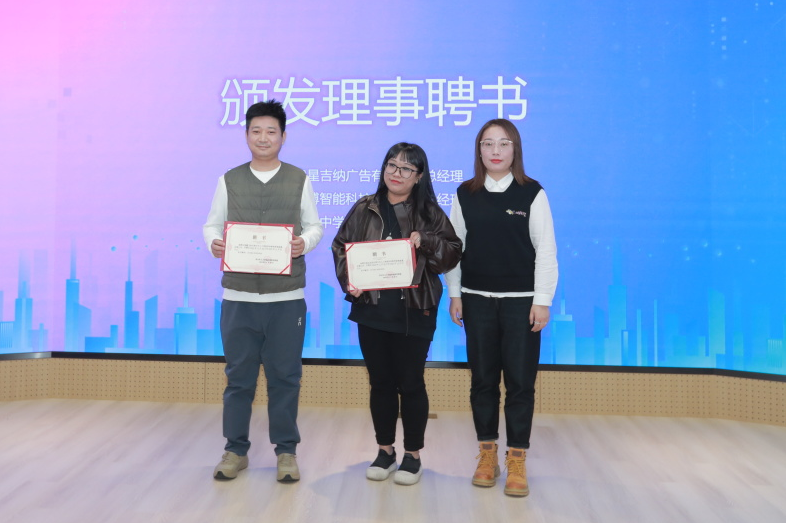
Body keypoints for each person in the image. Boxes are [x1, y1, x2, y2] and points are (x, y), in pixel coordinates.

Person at [203, 100, 323, 483]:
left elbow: (315, 226)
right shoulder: (229, 179)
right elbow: (211, 226)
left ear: (283, 137)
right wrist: (214, 243)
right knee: (238, 379)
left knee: (285, 378)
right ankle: (235, 450)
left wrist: (304, 243)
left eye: (271, 131)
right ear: (246, 136)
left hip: (286, 299)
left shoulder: (299, 179)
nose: (264, 137)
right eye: (256, 131)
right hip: (238, 297)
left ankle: (286, 452)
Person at [332, 143, 460, 485]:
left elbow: (452, 253)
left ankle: (412, 455)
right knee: (380, 382)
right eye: (391, 165)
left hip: (415, 310)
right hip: (371, 310)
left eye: (406, 168)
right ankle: (385, 451)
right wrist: (350, 281)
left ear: (419, 177)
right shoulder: (365, 207)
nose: (396, 173)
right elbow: (341, 246)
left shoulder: (430, 213)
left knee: (411, 382)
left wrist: (426, 241)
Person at [446, 118, 558, 497]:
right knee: (482, 381)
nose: (495, 151)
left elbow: (546, 251)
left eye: (504, 144)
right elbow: (454, 249)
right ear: (478, 150)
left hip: (521, 305)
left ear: (515, 150)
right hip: (476, 301)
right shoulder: (464, 194)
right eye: (488, 144)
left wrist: (542, 301)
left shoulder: (532, 194)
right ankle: (487, 454)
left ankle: (517, 458)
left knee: (520, 384)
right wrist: (455, 294)